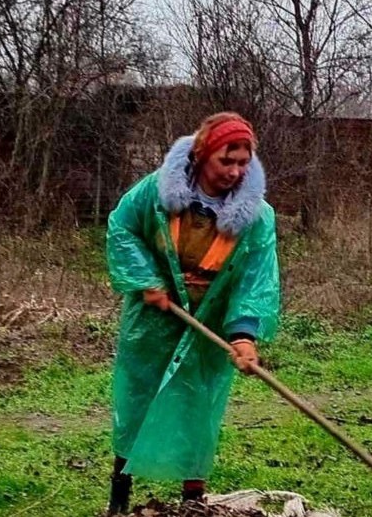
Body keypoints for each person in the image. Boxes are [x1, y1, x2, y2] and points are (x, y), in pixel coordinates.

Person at [105, 112, 281, 514]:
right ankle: (119, 493)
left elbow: (256, 278)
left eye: (243, 162)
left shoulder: (257, 217)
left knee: (199, 406)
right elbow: (122, 227)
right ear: (202, 155)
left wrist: (243, 335)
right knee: (137, 399)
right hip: (153, 320)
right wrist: (146, 279)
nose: (235, 171)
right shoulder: (155, 193)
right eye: (226, 160)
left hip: (210, 323)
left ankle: (192, 502)